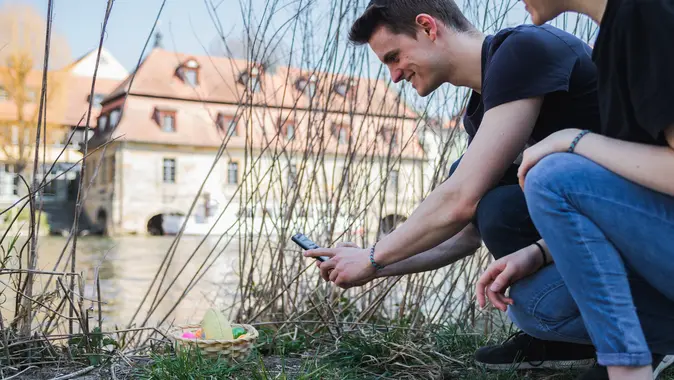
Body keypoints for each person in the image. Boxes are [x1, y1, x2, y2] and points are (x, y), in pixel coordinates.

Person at [305, 0, 604, 372]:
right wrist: (373, 262)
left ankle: (636, 335)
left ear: (428, 28)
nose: (395, 76)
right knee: (495, 210)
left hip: (647, 228)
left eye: (394, 57)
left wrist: (372, 256)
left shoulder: (522, 49)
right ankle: (571, 339)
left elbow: (459, 199)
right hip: (600, 230)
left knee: (499, 209)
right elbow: (464, 233)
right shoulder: (481, 113)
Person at [476, 0, 674, 379]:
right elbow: (637, 195)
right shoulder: (615, 37)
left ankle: (627, 370)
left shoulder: (646, 15)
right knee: (534, 301)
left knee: (553, 175)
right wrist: (539, 253)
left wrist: (573, 140)